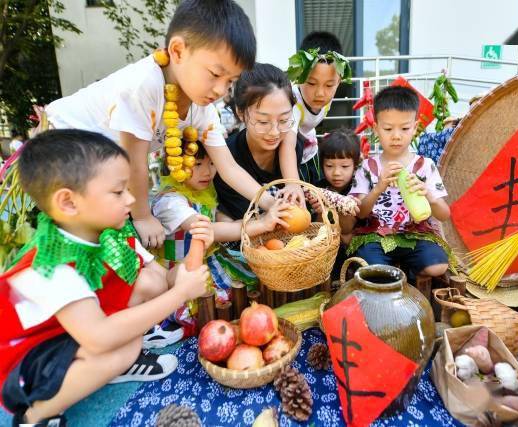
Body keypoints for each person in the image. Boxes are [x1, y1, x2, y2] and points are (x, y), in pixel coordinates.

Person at [44, 0, 296, 250]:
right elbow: (135, 163)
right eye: (215, 74)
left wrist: (270, 203)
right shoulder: (144, 85)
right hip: (59, 151)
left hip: (101, 166)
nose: (221, 90)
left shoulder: (202, 107)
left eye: (231, 81)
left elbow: (228, 167)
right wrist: (142, 217)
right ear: (177, 51)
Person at [0, 129, 210, 425]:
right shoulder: (52, 266)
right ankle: (36, 414)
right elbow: (100, 337)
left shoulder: (103, 233)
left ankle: (115, 366)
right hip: (24, 365)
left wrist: (197, 247)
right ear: (69, 203)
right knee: (116, 349)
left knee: (138, 297)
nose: (131, 199)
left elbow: (160, 280)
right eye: (118, 191)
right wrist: (180, 295)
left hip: (69, 334)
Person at [152, 140, 292, 327]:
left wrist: (259, 223)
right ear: (174, 164)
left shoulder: (202, 191)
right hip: (185, 269)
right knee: (216, 301)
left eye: (212, 163)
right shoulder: (171, 202)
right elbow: (208, 230)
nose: (207, 171)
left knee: (251, 280)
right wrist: (260, 224)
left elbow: (222, 221)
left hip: (211, 258)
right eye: (198, 164)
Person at [348, 86, 454, 280]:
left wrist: (428, 195)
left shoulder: (425, 166)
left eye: (405, 128)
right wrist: (379, 187)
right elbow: (360, 213)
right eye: (388, 129)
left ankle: (408, 275)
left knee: (438, 266)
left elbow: (444, 214)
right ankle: (395, 280)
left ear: (415, 128)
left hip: (416, 234)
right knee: (371, 268)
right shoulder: (367, 167)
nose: (396, 136)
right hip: (376, 236)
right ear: (376, 128)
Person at [214, 63, 304, 221]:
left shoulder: (292, 148)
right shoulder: (227, 157)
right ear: (241, 113)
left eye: (284, 120)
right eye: (263, 122)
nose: (275, 132)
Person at [280, 31, 352, 186]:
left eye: (329, 85)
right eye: (311, 83)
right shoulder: (292, 104)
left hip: (311, 151)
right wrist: (292, 185)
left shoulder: (328, 97)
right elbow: (287, 145)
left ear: (339, 81)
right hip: (290, 159)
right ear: (299, 76)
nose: (320, 93)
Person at [315, 128, 360, 280]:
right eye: (329, 166)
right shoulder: (318, 188)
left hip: (355, 247)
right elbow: (318, 229)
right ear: (322, 166)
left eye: (344, 166)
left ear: (355, 166)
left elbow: (350, 227)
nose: (336, 173)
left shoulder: (359, 187)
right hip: (329, 246)